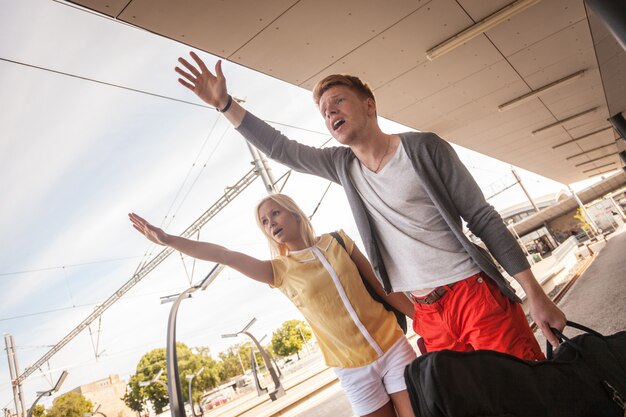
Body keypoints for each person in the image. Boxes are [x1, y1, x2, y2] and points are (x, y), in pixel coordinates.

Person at [174, 52, 567, 357]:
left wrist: (534, 293)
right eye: (325, 112)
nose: (330, 114)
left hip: (473, 294)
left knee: (523, 393)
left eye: (338, 102)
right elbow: (282, 148)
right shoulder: (342, 166)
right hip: (427, 313)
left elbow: (482, 218)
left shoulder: (424, 148)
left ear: (369, 105)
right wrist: (226, 105)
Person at [129, 193, 416, 417]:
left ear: (294, 213)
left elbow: (382, 287)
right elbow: (224, 255)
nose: (271, 223)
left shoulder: (337, 241)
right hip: (351, 368)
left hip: (392, 346)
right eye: (264, 222)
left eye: (274, 213)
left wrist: (423, 318)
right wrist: (168, 240)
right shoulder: (279, 271)